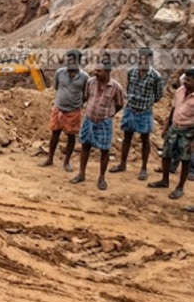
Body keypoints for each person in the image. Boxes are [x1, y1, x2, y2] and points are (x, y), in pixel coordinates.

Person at [110, 48, 164, 181]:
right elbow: (129, 88)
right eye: (139, 58)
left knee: (145, 139)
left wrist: (147, 103)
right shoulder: (132, 72)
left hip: (145, 111)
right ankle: (122, 164)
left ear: (150, 60)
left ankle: (144, 168)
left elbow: (158, 95)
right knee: (126, 137)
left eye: (144, 58)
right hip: (130, 108)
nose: (141, 61)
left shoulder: (155, 76)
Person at [70, 61, 125, 190]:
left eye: (99, 71)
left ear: (107, 72)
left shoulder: (116, 87)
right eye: (95, 70)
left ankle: (101, 178)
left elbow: (119, 104)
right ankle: (81, 173)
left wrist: (109, 114)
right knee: (85, 146)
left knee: (104, 150)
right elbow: (86, 97)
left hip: (104, 122)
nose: (95, 73)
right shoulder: (90, 82)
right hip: (88, 119)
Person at [38, 50, 89, 172]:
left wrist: (79, 104)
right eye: (68, 60)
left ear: (77, 62)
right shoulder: (59, 73)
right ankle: (50, 158)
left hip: (73, 111)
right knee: (54, 134)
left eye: (72, 60)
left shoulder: (84, 77)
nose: (69, 62)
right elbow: (56, 87)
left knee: (71, 137)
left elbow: (87, 94)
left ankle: (66, 162)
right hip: (59, 108)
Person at [149, 68, 194, 199]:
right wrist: (166, 127)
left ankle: (180, 187)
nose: (185, 82)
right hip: (174, 127)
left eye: (189, 80)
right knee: (166, 154)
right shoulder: (180, 91)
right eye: (185, 79)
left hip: (189, 131)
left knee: (185, 160)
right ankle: (164, 180)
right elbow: (173, 109)